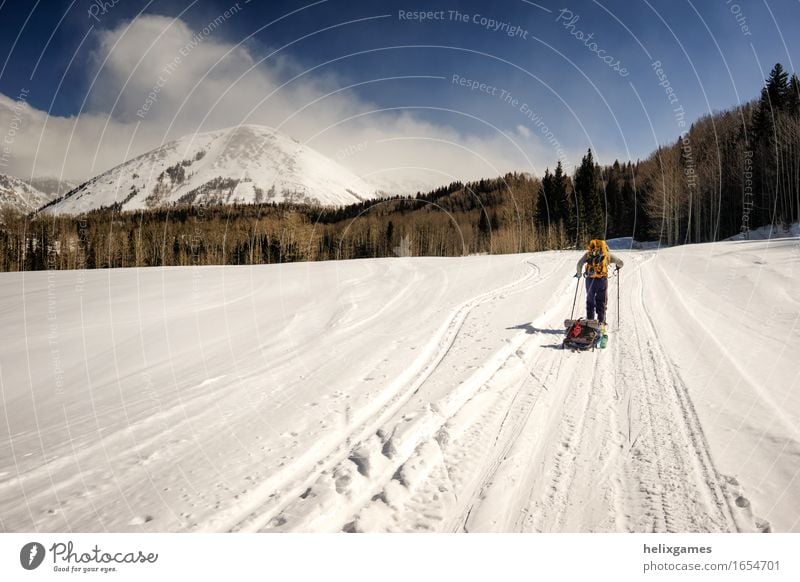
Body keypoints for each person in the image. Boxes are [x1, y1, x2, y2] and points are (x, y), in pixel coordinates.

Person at [574, 240, 623, 325]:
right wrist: (618, 267)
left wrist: (579, 274)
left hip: (589, 279)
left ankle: (590, 322)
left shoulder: (588, 253)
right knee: (602, 301)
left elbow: (579, 264)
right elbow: (621, 263)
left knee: (590, 300)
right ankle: (601, 322)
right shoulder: (607, 255)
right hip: (602, 280)